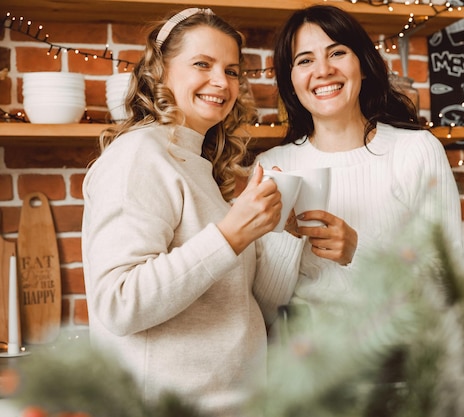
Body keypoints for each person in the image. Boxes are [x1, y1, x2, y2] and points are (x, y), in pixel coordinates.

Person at [81, 8, 304, 415]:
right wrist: (230, 235)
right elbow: (118, 302)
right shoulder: (138, 157)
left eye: (233, 70)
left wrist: (279, 230)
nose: (221, 82)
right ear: (160, 71)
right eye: (202, 64)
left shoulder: (201, 165)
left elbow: (230, 302)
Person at [255, 5, 464, 317]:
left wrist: (357, 251)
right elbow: (266, 310)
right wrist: (287, 237)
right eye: (305, 60)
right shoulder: (273, 166)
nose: (323, 70)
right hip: (306, 356)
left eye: (337, 53)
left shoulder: (415, 151)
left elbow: (450, 285)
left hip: (402, 354)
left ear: (363, 66)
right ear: (292, 82)